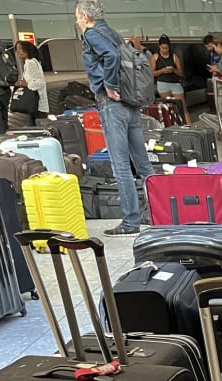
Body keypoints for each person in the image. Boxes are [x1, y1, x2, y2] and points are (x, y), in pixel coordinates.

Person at [76, 0, 155, 236]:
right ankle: (154, 212)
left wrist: (109, 86)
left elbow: (111, 57)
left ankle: (131, 221)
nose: (77, 20)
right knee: (143, 164)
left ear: (84, 17)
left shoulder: (92, 34)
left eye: (77, 16)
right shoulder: (112, 32)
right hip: (131, 103)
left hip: (113, 104)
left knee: (120, 165)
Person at [151, 35, 190, 124]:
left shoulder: (174, 57)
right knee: (168, 107)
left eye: (166, 48)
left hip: (175, 83)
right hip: (163, 84)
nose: (165, 50)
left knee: (183, 106)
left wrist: (173, 70)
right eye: (163, 48)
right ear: (159, 46)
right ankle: (174, 126)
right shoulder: (155, 57)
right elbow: (152, 73)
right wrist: (162, 71)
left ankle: (188, 125)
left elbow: (181, 73)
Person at [14, 40, 48, 118]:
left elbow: (40, 82)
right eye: (17, 49)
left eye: (20, 49)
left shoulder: (31, 62)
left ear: (27, 50)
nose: (18, 52)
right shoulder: (28, 63)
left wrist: (26, 84)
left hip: (37, 104)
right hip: (34, 104)